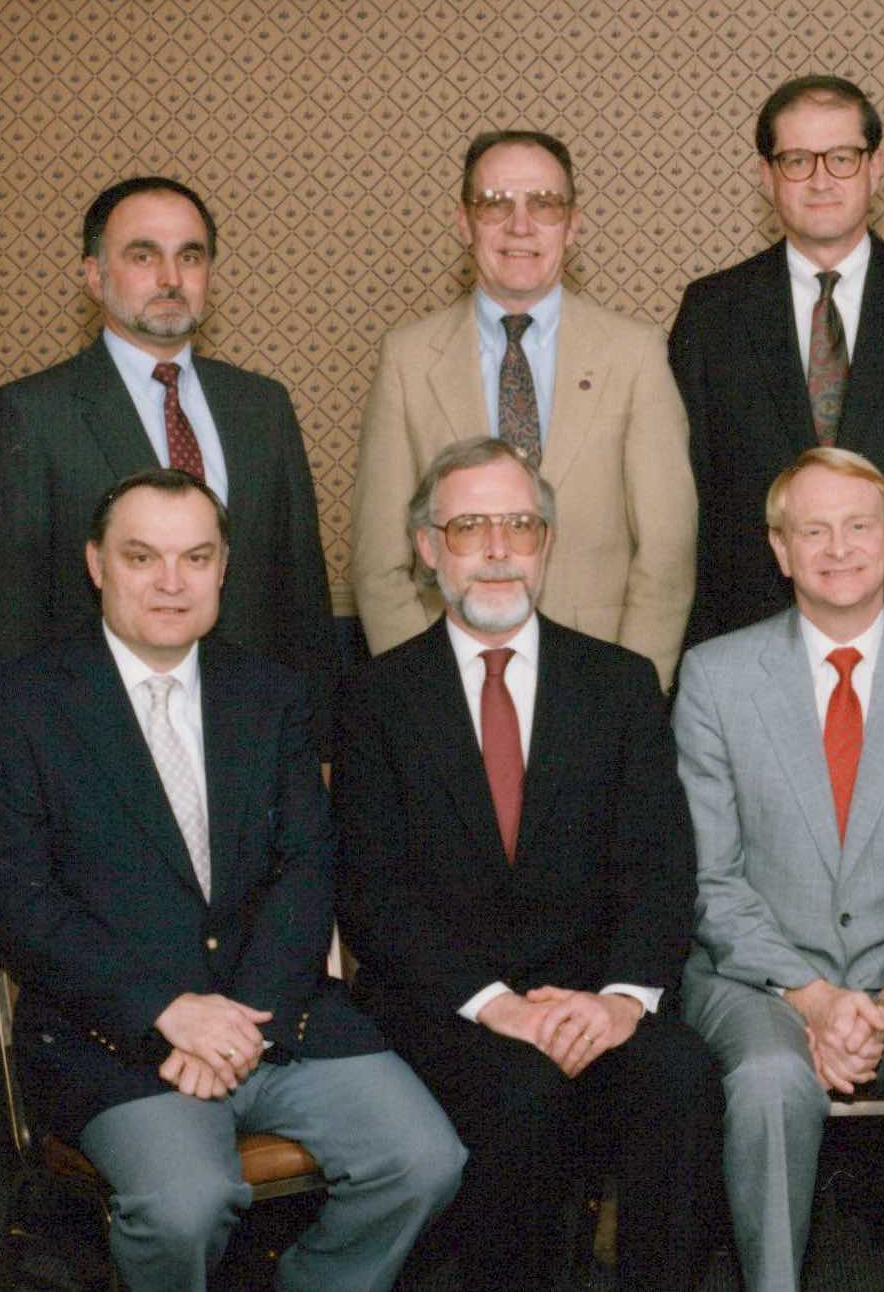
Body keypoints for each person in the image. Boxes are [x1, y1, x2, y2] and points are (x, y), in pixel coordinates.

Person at [0, 469, 465, 1292]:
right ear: (96, 564)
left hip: (275, 1013)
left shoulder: (271, 696)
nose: (170, 581)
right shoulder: (23, 705)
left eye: (196, 557)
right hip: (111, 1032)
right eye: (141, 556)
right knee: (185, 1204)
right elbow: (13, 899)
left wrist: (248, 1024)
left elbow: (309, 865)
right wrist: (166, 1012)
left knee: (425, 1161)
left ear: (223, 567)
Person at [333, 436, 720, 1289]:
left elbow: (662, 867)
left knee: (682, 1080)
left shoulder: (621, 685)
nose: (499, 549)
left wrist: (621, 1002)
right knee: (522, 1096)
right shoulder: (373, 697)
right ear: (428, 549)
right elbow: (371, 894)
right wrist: (495, 1006)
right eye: (470, 527)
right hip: (446, 1004)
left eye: (520, 524)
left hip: (592, 996)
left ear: (547, 542)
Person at [674, 447, 884, 1291]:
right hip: (760, 980)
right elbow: (710, 880)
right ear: (779, 548)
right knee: (766, 1083)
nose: (839, 548)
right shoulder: (715, 677)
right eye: (813, 530)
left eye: (859, 526)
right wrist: (817, 999)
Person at [671, 75, 884, 670]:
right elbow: (683, 505)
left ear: (875, 167)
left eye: (842, 157)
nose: (822, 178)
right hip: (749, 653)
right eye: (797, 160)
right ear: (767, 176)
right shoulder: (711, 314)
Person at [0, 176, 335, 716]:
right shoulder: (31, 414)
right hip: (95, 735)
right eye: (143, 256)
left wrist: (316, 741)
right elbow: (5, 622)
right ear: (93, 275)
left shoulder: (261, 406)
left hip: (251, 735)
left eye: (190, 256)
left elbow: (302, 597)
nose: (170, 278)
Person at [349, 130, 695, 686]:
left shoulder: (636, 354)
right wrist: (424, 694)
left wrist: (631, 693)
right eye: (494, 204)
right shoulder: (407, 359)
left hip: (596, 677)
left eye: (544, 204)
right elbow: (378, 563)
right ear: (463, 222)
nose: (520, 226)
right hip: (449, 677)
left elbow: (666, 556)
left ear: (573, 223)